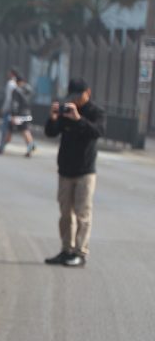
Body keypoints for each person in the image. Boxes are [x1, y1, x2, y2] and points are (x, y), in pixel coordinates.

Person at [43, 78, 105, 267]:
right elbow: (51, 133)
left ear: (88, 93)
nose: (76, 100)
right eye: (73, 96)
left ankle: (80, 252)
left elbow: (98, 132)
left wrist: (78, 119)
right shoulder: (65, 110)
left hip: (85, 171)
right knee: (65, 214)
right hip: (65, 169)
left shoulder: (96, 112)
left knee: (82, 213)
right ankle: (66, 250)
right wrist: (53, 118)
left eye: (79, 96)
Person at [0, 67, 21, 154]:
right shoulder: (17, 84)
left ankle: (1, 147)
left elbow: (9, 98)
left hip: (9, 110)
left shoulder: (10, 83)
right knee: (13, 129)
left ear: (12, 74)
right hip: (16, 110)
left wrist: (4, 108)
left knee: (5, 129)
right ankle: (2, 146)